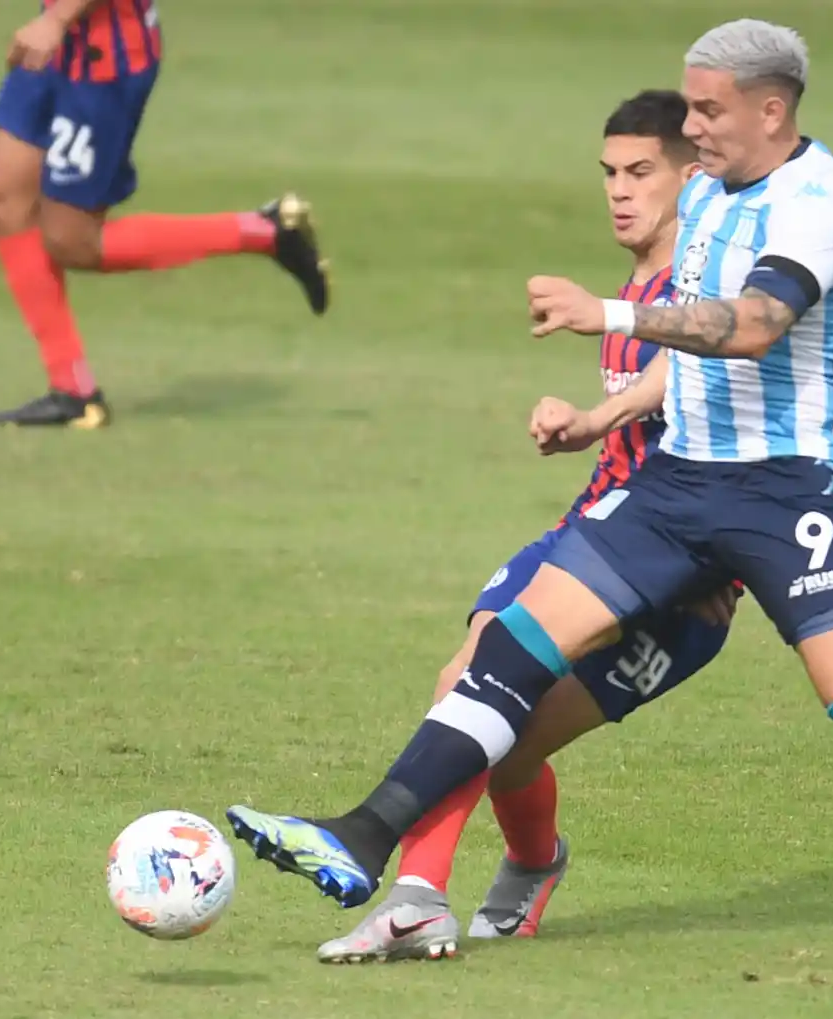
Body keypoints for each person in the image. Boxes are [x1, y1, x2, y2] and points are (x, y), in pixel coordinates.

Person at [224, 19, 833, 981]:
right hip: (677, 485)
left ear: (772, 110)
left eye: (709, 109)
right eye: (688, 107)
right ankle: (363, 836)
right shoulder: (709, 193)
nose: (692, 127)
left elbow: (755, 327)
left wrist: (604, 315)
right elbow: (689, 364)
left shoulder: (820, 205)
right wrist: (611, 414)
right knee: (508, 645)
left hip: (788, 491)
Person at [312, 90, 733, 964]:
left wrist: (595, 413)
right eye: (609, 174)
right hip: (589, 532)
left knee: (501, 742)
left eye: (641, 173)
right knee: (465, 683)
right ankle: (434, 894)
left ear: (693, 180)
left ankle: (511, 868)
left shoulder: (711, 293)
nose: (619, 192)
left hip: (680, 588)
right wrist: (592, 420)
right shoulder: (636, 286)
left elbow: (698, 392)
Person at [0, 1, 328, 429]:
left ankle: (265, 232)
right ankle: (73, 392)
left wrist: (56, 19)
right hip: (55, 47)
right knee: (3, 201)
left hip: (103, 58)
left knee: (73, 241)